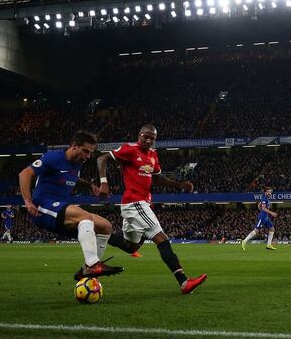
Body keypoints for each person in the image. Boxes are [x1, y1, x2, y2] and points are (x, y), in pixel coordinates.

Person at [96, 124, 207, 294]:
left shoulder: (153, 155)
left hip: (140, 204)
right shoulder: (130, 149)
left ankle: (98, 233)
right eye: (145, 136)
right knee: (161, 239)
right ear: (138, 135)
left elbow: (158, 179)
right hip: (135, 203)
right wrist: (104, 182)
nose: (148, 140)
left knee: (131, 247)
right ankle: (184, 282)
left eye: (152, 138)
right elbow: (101, 159)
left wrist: (180, 185)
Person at [18, 131, 124, 279]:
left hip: (61, 206)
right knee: (85, 217)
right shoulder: (54, 157)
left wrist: (90, 186)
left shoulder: (77, 164)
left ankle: (86, 269)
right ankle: (93, 264)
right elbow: (25, 173)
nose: (87, 156)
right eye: (85, 151)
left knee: (105, 226)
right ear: (74, 146)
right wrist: (28, 202)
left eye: (90, 153)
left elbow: (72, 178)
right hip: (43, 206)